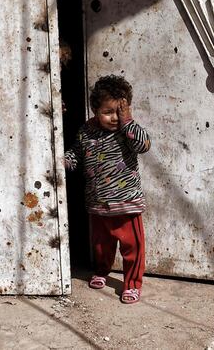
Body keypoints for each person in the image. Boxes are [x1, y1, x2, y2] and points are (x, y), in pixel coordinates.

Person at [64, 75, 151, 304]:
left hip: (127, 204)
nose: (114, 118)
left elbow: (144, 145)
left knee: (132, 248)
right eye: (108, 112)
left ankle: (132, 283)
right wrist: (64, 161)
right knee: (101, 246)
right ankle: (102, 271)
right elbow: (76, 154)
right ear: (94, 109)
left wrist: (128, 121)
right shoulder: (86, 131)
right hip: (98, 203)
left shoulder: (128, 131)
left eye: (119, 111)